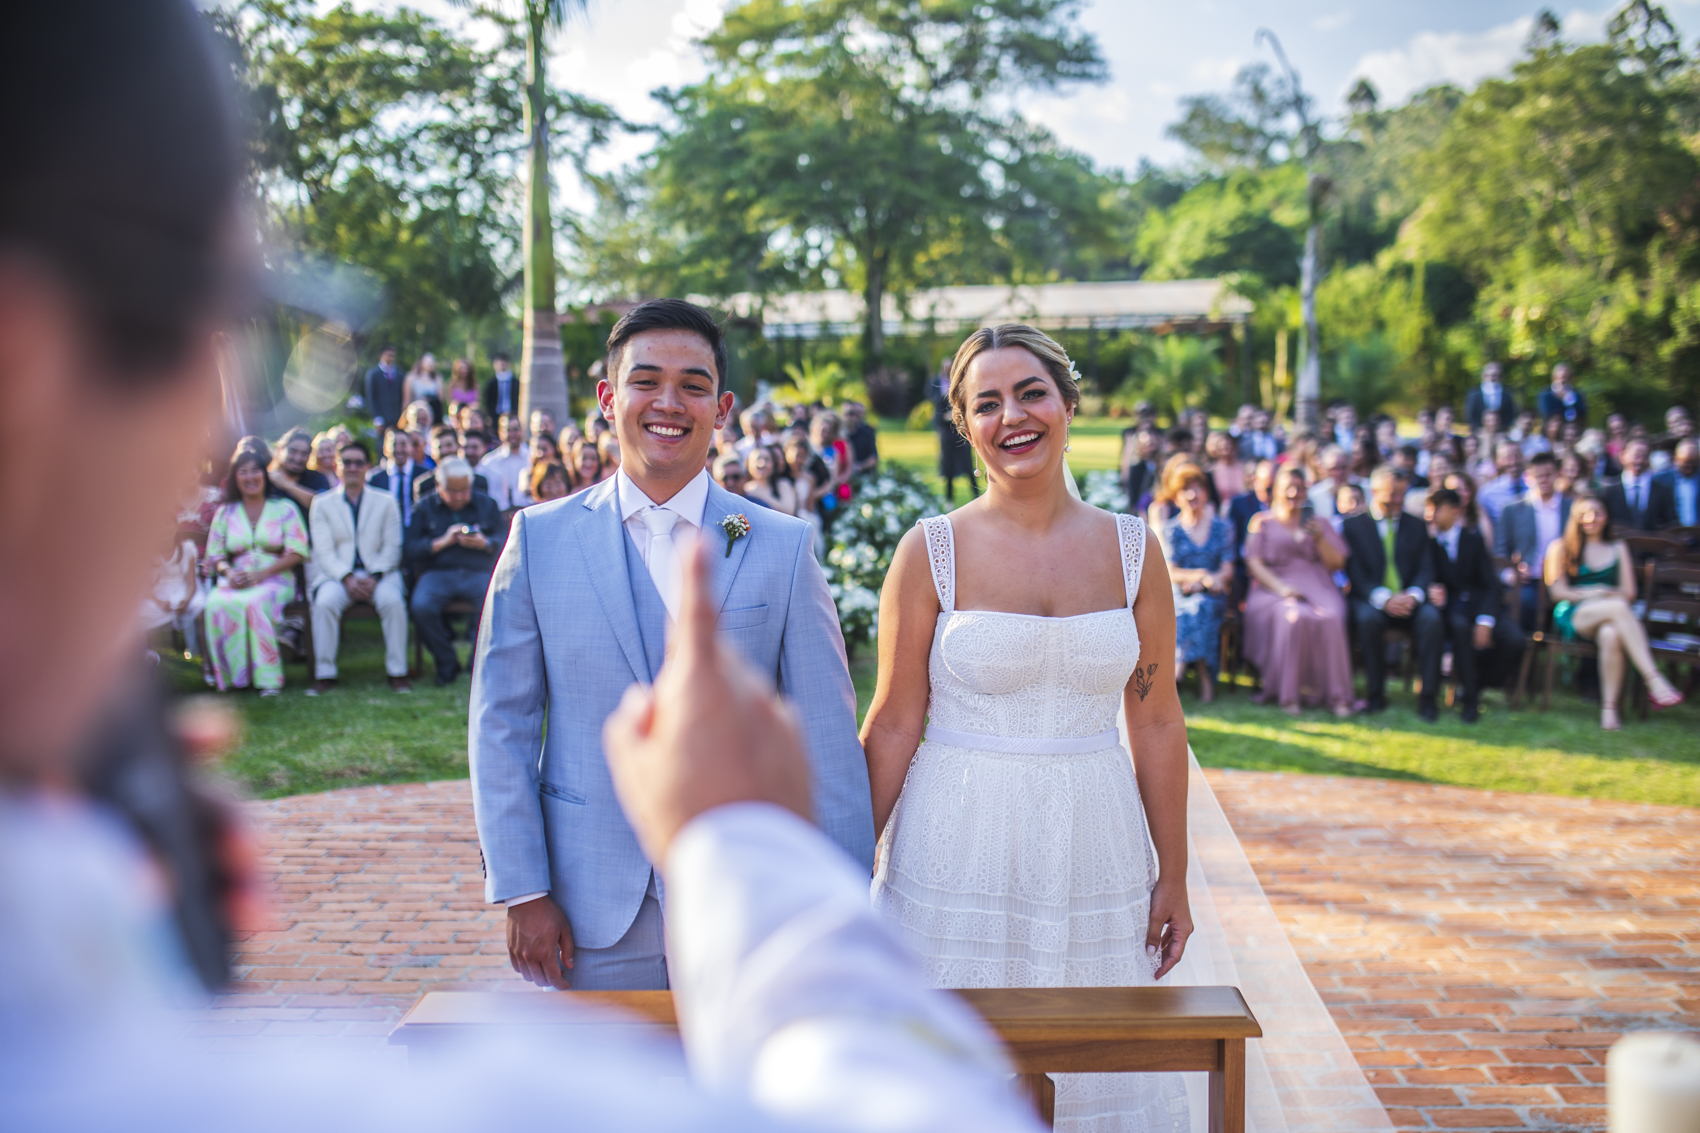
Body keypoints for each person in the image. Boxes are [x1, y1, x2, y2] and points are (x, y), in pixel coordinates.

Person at [471, 298, 874, 992]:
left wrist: (836, 904)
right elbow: (500, 723)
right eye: (646, 380)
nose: (669, 402)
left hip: (751, 906)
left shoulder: (781, 545)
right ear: (607, 398)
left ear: (722, 409)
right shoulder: (539, 539)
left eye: (693, 385)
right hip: (586, 903)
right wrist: (523, 888)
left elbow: (829, 742)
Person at [862, 323, 1193, 1129]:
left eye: (1031, 392)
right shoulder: (929, 551)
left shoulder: (1132, 549)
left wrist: (1173, 874)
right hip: (956, 844)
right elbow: (896, 720)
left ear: (1069, 402)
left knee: (1093, 1066)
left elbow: (1153, 720)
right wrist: (843, 865)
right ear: (965, 426)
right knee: (950, 1066)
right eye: (987, 402)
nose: (1013, 415)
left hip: (1095, 841)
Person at [1544, 496, 1684, 729]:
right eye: (1585, 513)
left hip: (1609, 615)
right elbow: (1557, 592)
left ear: (1606, 515)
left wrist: (1603, 593)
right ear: (1575, 518)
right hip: (1574, 614)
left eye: (1597, 512)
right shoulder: (1560, 547)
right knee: (1618, 608)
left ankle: (1609, 710)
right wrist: (1596, 592)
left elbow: (1628, 592)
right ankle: (1653, 679)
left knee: (1611, 634)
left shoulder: (1618, 548)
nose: (1591, 519)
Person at [1243, 465, 1356, 716]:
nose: (1294, 493)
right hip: (1274, 586)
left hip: (1317, 583)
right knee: (1294, 617)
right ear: (1276, 491)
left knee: (1332, 617)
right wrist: (1281, 588)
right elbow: (1254, 562)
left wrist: (1319, 538)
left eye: (1299, 488)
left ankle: (1337, 697)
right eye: (1288, 488)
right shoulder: (1261, 522)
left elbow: (1337, 563)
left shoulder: (1319, 523)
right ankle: (1289, 696)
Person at [203, 448, 309, 695]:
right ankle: (234, 679)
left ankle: (267, 680)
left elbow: (298, 550)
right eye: (243, 472)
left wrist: (264, 574)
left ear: (265, 475)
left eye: (255, 471)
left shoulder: (285, 508)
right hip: (237, 578)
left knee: (256, 601)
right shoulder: (225, 512)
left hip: (276, 578)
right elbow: (215, 554)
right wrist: (228, 573)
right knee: (216, 604)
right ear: (235, 478)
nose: (250, 477)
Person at [307, 440, 409, 695]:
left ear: (368, 467)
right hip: (338, 576)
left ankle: (398, 672)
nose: (352, 468)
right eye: (347, 462)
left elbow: (392, 547)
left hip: (379, 575)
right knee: (325, 603)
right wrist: (346, 577)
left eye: (358, 462)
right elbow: (323, 550)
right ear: (336, 466)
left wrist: (375, 576)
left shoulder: (386, 501)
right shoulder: (321, 503)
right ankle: (325, 673)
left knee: (393, 602)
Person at [1343, 466, 1442, 718]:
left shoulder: (1417, 526)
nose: (1397, 500)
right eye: (1391, 494)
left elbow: (1425, 568)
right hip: (1372, 599)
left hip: (1409, 599)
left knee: (1432, 619)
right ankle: (1375, 695)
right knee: (1367, 620)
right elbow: (1356, 574)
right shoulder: (1354, 526)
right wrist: (1384, 599)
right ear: (1374, 491)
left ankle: (1428, 698)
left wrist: (1413, 595)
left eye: (1401, 494)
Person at [1425, 488, 1526, 723]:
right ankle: (1470, 701)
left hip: (1482, 608)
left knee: (1515, 641)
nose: (1431, 515)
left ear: (1456, 510)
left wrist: (1485, 620)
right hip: (1451, 610)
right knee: (1460, 630)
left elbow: (1491, 585)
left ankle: (1478, 684)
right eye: (1429, 509)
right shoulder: (1427, 543)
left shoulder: (1473, 540)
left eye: (1437, 509)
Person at [407, 457, 503, 685]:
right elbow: (410, 549)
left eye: (465, 490)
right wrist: (441, 542)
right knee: (421, 607)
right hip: (438, 573)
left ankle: (477, 663)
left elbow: (506, 539)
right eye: (453, 491)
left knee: (498, 604)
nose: (460, 497)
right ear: (439, 486)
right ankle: (446, 662)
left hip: (478, 571)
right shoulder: (424, 507)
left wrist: (486, 543)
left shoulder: (487, 504)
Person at [1160, 462, 1234, 702]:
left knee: (1201, 606)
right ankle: (1203, 681)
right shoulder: (1171, 530)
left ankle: (1177, 674)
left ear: (1206, 492)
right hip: (1179, 593)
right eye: (1185, 490)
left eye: (1197, 488)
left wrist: (1204, 582)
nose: (1192, 495)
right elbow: (1170, 571)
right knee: (1187, 611)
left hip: (1213, 593)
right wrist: (1199, 575)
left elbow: (1227, 570)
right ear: (1176, 496)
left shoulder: (1222, 528)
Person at [1497, 451, 1572, 628]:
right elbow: (1499, 551)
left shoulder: (1573, 507)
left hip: (1566, 578)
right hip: (1528, 580)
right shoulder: (1511, 509)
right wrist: (1510, 574)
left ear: (1557, 474)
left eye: (1548, 475)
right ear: (1527, 477)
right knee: (1523, 605)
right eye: (1537, 475)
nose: (1543, 480)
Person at [928, 359, 977, 502]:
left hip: (960, 430)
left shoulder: (961, 384)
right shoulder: (937, 383)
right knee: (947, 465)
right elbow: (934, 404)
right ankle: (949, 498)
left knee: (968, 465)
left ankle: (976, 495)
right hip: (946, 431)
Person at [367, 427, 428, 531]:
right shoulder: (375, 479)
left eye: (403, 444)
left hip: (418, 532)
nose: (399, 449)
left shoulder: (425, 475)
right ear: (385, 449)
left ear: (411, 447)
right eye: (394, 444)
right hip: (385, 531)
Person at [1603, 438, 1666, 531]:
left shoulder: (1662, 490)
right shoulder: (1609, 491)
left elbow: (1669, 523)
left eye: (1644, 456)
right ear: (1622, 456)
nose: (1640, 461)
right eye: (1636, 455)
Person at [268, 427, 331, 521]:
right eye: (293, 452)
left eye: (304, 454)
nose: (298, 458)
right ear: (279, 449)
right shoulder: (267, 479)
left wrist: (288, 485)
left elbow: (325, 507)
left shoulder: (318, 478)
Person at [415, 425, 489, 501]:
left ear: (458, 447)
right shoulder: (424, 485)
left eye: (449, 445)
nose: (445, 451)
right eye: (439, 447)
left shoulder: (478, 481)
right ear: (431, 452)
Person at [479, 413, 530, 511]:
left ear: (522, 431)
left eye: (515, 429)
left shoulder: (532, 457)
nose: (512, 434)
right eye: (507, 430)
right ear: (499, 432)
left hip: (527, 511)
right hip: (499, 513)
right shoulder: (489, 461)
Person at [1652, 437, 1699, 529]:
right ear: (1676, 459)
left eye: (1693, 463)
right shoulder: (1660, 480)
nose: (1689, 467)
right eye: (1685, 463)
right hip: (1671, 534)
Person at [743, 445, 797, 516]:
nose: (762, 464)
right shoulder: (745, 489)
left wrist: (759, 495)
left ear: (774, 464)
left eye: (767, 459)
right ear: (748, 464)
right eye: (757, 459)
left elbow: (789, 511)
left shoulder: (783, 484)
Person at [1464, 361, 1516, 430]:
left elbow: (1510, 414)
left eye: (1495, 375)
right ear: (1483, 376)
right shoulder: (1474, 394)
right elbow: (1469, 415)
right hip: (1479, 433)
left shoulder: (1507, 394)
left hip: (1501, 434)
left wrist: (1504, 429)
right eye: (1489, 375)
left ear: (1501, 377)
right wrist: (1478, 430)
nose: (1492, 378)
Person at [1306, 444, 1354, 518]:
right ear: (1324, 469)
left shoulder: (1365, 489)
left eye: (1343, 467)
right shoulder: (1314, 495)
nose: (1339, 472)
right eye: (1333, 469)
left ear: (1350, 466)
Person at [364, 344, 405, 431]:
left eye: (393, 355)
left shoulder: (400, 374)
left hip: (397, 417)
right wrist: (377, 419)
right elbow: (371, 397)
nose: (391, 358)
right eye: (388, 355)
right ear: (381, 355)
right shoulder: (373, 374)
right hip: (382, 417)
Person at [1124, 423, 1163, 513]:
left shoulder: (1164, 465)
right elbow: (1133, 497)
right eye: (1146, 445)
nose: (1150, 449)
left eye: (1152, 444)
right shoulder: (1136, 470)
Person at [841, 399, 879, 477]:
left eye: (852, 414)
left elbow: (874, 458)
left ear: (857, 416)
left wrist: (860, 467)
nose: (849, 417)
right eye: (846, 414)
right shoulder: (837, 435)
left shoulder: (867, 433)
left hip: (862, 474)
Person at [1204, 430, 1245, 501]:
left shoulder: (1244, 468)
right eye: (1223, 448)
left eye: (1230, 447)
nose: (1227, 452)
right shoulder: (1210, 471)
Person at [405, 351, 444, 424]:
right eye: (427, 361)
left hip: (433, 414)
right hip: (415, 414)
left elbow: (441, 398)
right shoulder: (411, 377)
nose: (430, 363)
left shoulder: (437, 378)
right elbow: (407, 399)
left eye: (432, 361)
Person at [483, 351, 520, 420]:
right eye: (500, 362)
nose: (502, 364)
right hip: (495, 415)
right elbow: (488, 401)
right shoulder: (491, 382)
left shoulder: (516, 382)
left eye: (505, 362)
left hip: (513, 414)